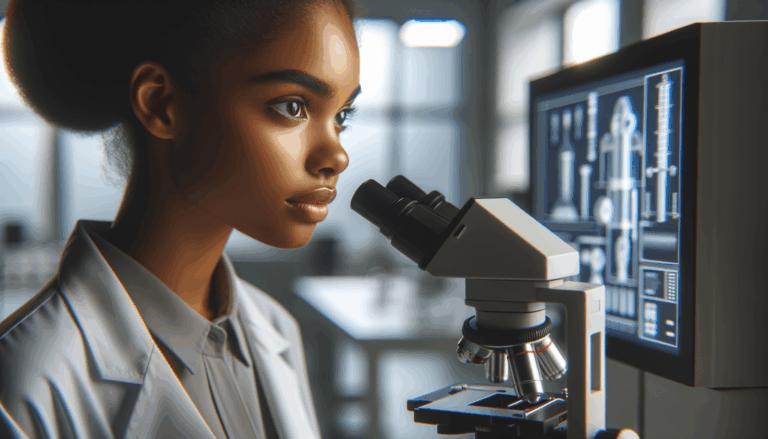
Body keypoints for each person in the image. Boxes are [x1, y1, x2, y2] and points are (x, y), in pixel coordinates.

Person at [0, 0, 361, 437]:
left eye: (342, 116)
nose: (336, 156)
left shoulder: (275, 328)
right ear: (161, 103)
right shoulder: (26, 383)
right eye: (291, 107)